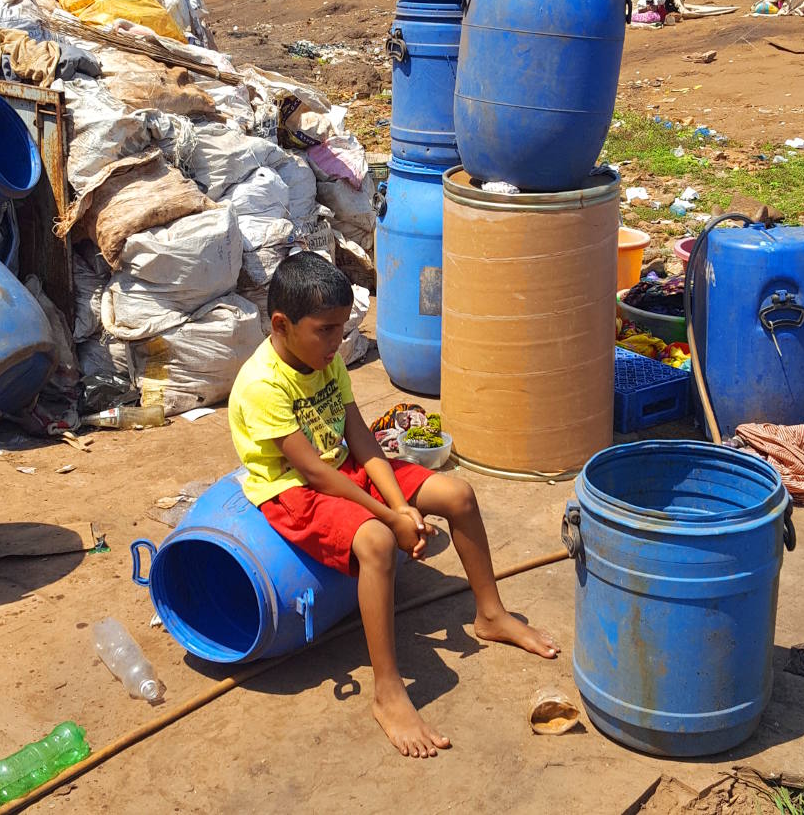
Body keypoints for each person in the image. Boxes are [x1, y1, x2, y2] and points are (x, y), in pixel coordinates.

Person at [228, 252, 558, 759]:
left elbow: (361, 438)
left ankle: (491, 614)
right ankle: (387, 689)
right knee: (378, 543)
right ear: (281, 325)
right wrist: (390, 518)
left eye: (343, 330)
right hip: (293, 490)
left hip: (346, 468)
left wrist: (404, 504)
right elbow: (315, 473)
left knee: (458, 495)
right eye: (327, 330)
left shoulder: (328, 359)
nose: (338, 342)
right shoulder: (262, 384)